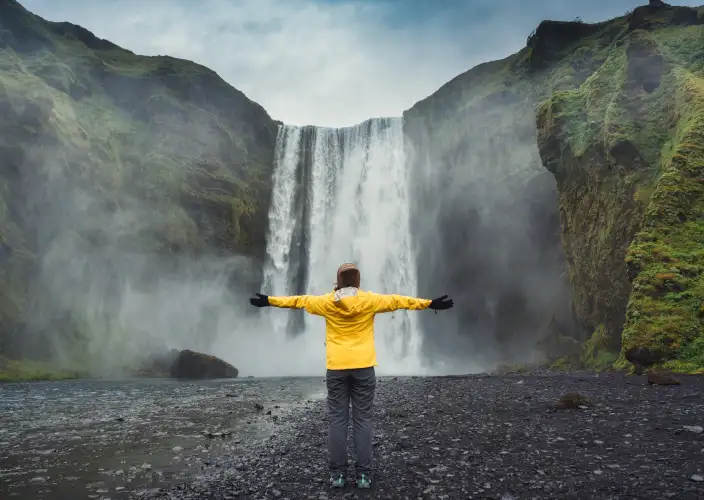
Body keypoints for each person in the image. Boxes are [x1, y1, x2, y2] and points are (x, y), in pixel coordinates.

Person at [249, 263, 454, 490]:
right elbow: (398, 300)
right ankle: (364, 476)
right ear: (358, 282)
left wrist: (268, 300)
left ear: (338, 281)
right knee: (363, 421)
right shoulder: (370, 300)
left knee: (337, 421)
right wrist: (429, 304)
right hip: (364, 367)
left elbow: (298, 300)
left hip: (336, 367)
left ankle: (337, 475)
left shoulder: (326, 301)